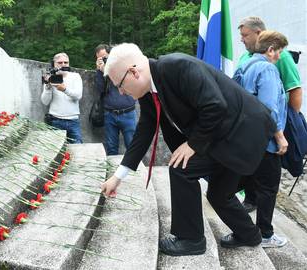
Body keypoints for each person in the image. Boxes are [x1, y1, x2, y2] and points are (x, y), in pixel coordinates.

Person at [101, 43, 276, 256]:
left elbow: (215, 105)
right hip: (221, 134)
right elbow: (144, 131)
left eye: (119, 84)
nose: (120, 91)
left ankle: (191, 239)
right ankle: (250, 235)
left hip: (241, 131)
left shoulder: (177, 66)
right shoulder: (148, 91)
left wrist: (192, 144)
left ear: (133, 72)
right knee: (219, 194)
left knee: (181, 167)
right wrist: (118, 177)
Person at [237, 17, 303, 213]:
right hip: (256, 128)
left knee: (271, 170)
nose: (241, 39)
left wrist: (290, 123)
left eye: (245, 35)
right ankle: (250, 199)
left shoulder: (281, 57)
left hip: (275, 124)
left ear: (259, 35)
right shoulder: (246, 58)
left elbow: (295, 89)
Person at [234, 31, 289, 248]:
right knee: (268, 189)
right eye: (279, 52)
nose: (279, 57)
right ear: (270, 49)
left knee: (245, 182)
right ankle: (265, 234)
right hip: (266, 142)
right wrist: (280, 137)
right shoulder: (267, 69)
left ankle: (244, 228)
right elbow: (268, 110)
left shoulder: (245, 66)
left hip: (248, 139)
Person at [95, 44, 137, 155]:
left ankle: (135, 171)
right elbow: (100, 89)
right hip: (110, 115)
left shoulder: (124, 65)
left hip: (128, 113)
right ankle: (114, 172)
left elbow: (124, 82)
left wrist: (109, 70)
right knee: (111, 148)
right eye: (100, 58)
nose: (104, 60)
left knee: (132, 146)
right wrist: (100, 71)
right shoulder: (101, 70)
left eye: (105, 57)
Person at [41, 52, 83, 144]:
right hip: (56, 120)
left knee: (78, 148)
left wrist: (65, 89)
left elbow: (78, 95)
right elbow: (45, 102)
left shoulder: (75, 76)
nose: (63, 65)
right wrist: (48, 87)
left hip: (73, 121)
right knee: (56, 151)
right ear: (54, 64)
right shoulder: (51, 77)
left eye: (66, 62)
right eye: (60, 63)